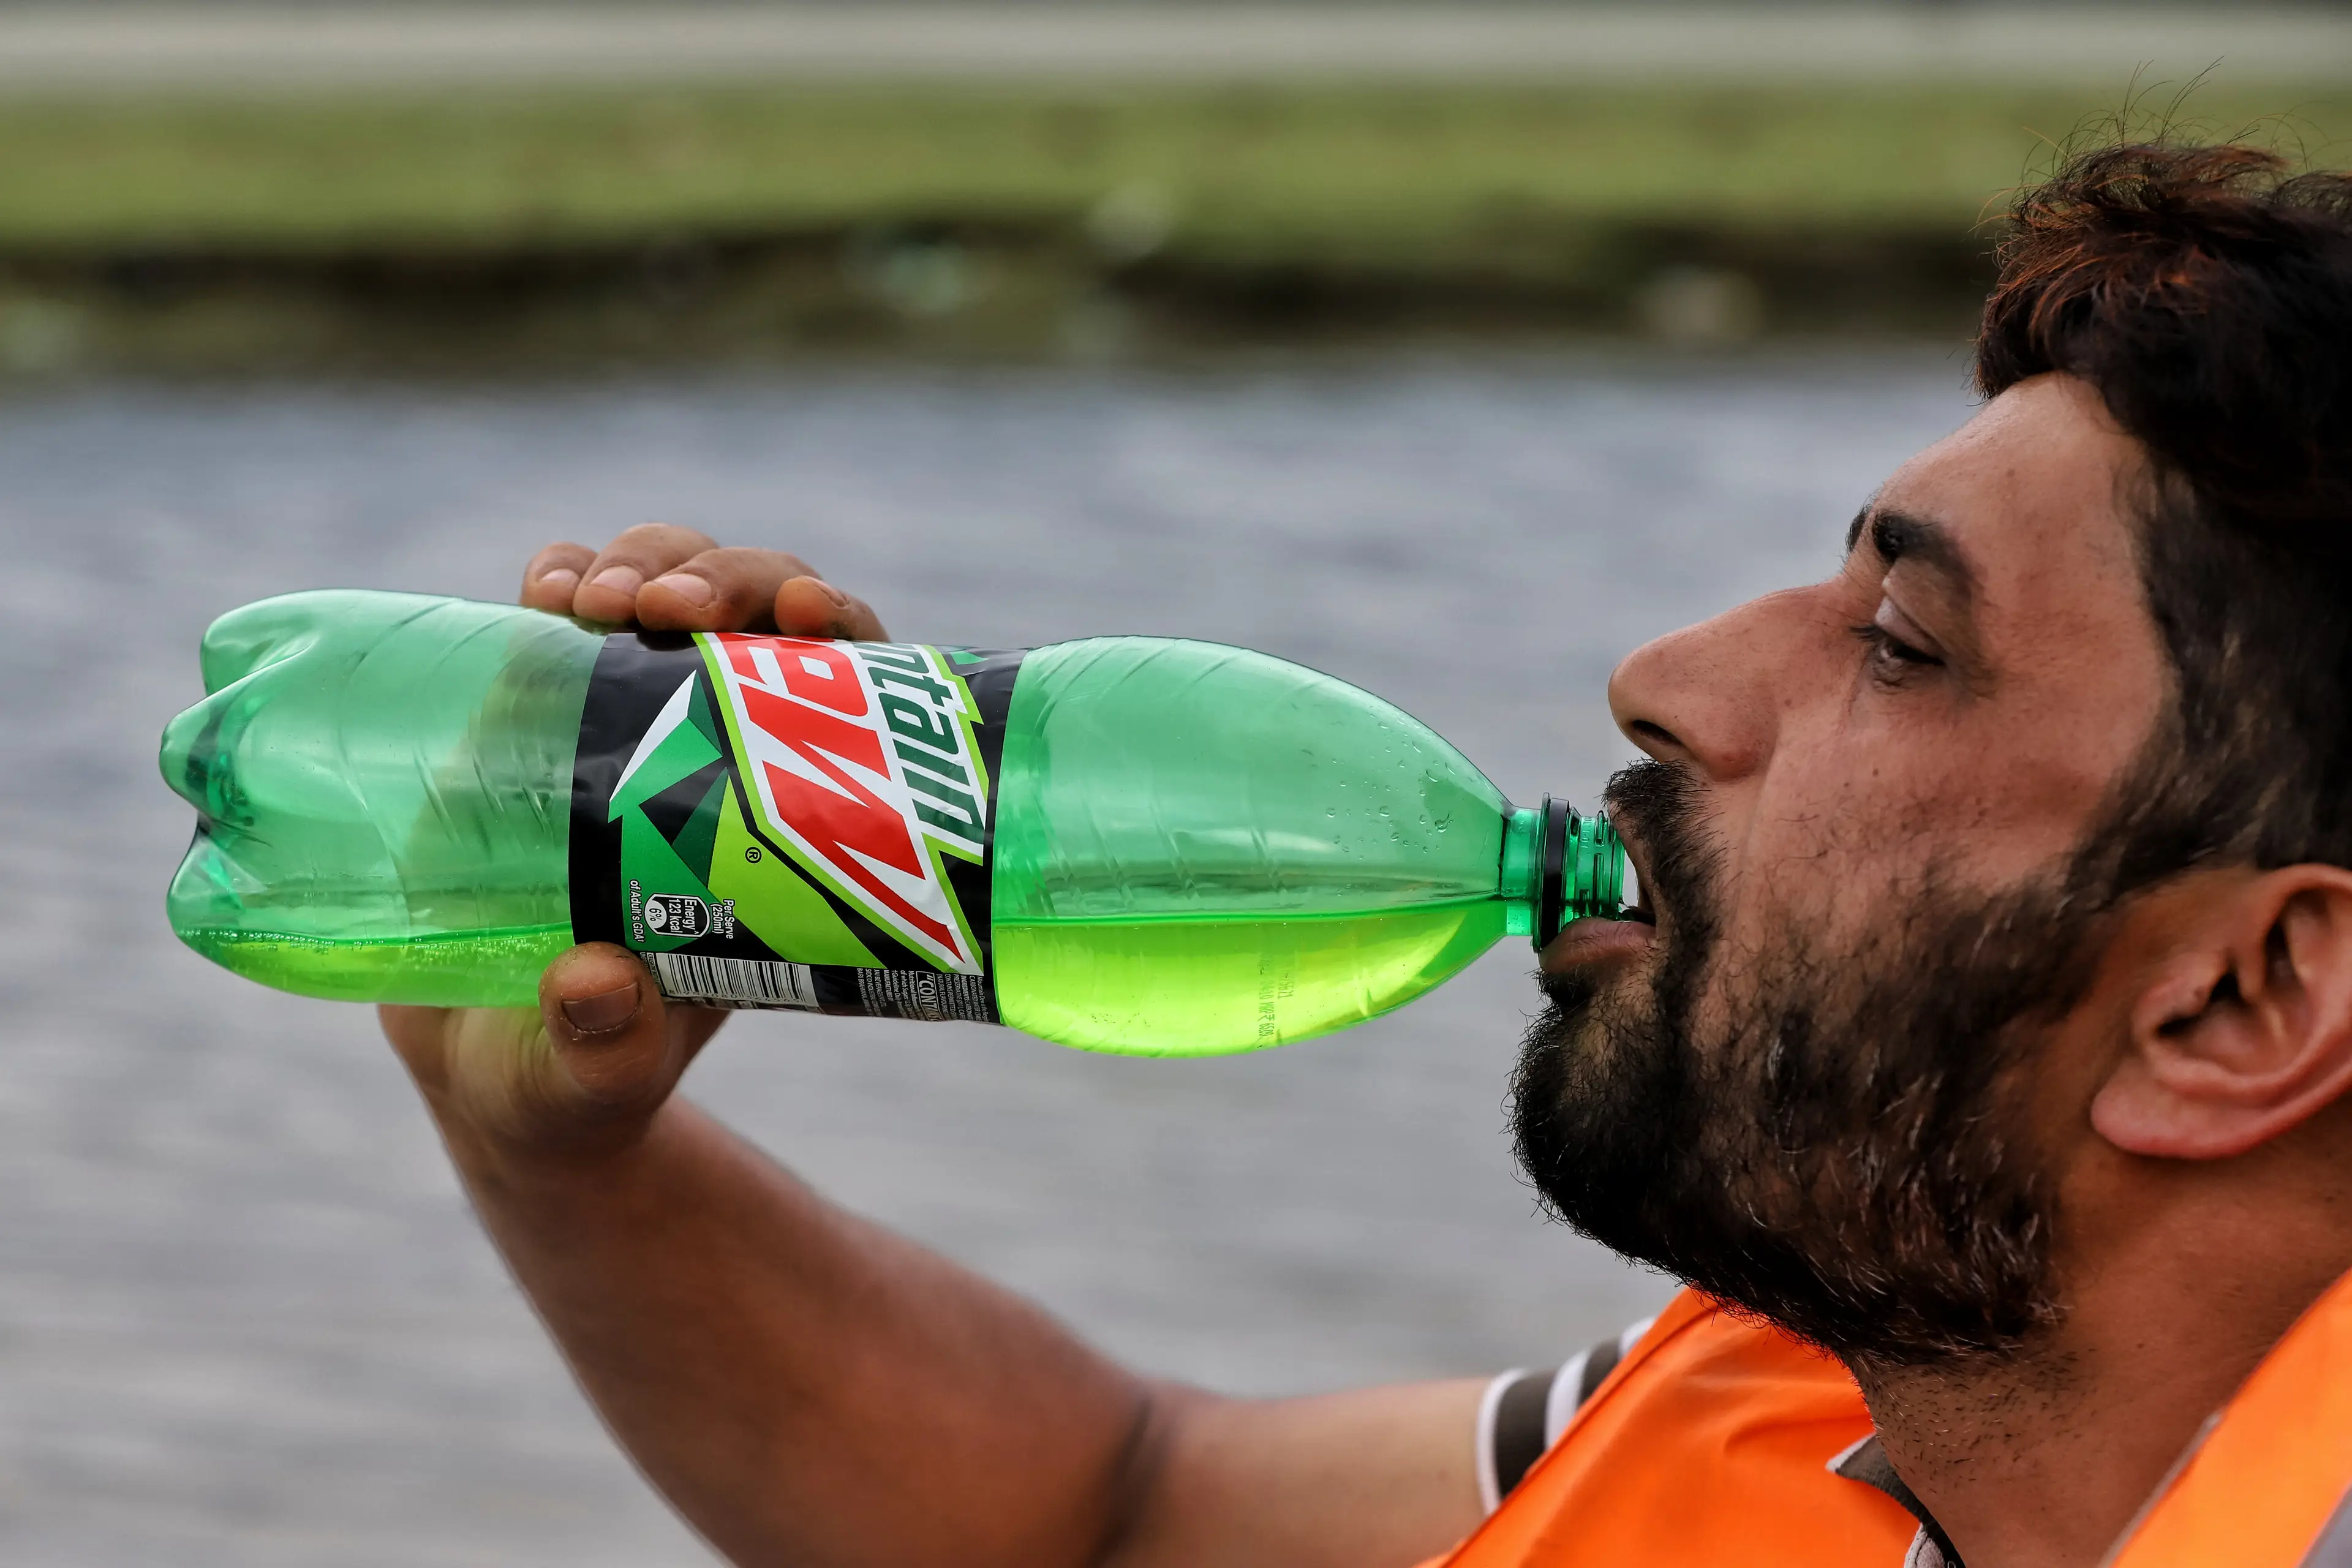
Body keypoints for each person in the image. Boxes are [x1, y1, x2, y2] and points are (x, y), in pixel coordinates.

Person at [380, 138, 2352, 1568]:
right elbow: (1108, 1514)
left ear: (2243, 1000)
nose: (1662, 682)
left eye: (1903, 651)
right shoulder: (1850, 1398)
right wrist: (554, 1146)